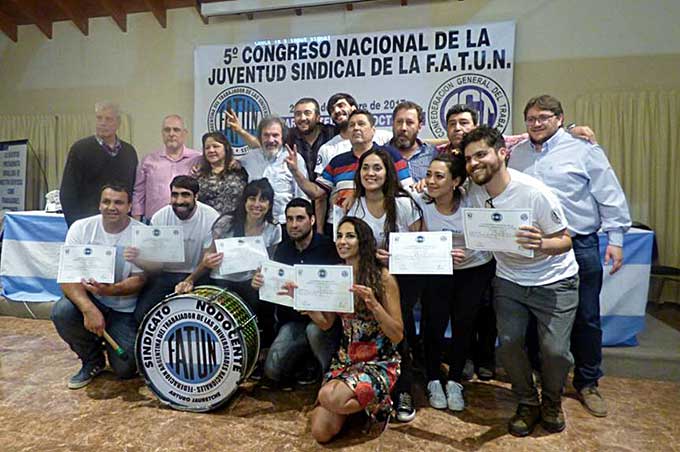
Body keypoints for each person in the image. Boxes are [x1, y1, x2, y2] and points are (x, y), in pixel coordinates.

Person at [509, 94, 631, 417]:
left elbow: (609, 194)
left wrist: (616, 239)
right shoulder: (516, 154)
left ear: (560, 119)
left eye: (544, 117)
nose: (536, 124)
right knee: (539, 315)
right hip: (534, 243)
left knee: (586, 315)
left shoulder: (584, 150)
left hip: (580, 244)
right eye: (531, 118)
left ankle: (588, 382)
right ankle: (545, 378)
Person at [461, 126, 580, 437]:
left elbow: (566, 241)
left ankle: (552, 402)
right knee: (510, 343)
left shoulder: (534, 192)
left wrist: (540, 244)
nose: (475, 163)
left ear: (503, 153)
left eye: (482, 154)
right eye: (469, 158)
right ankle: (527, 401)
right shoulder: (475, 191)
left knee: (555, 351)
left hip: (555, 280)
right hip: (509, 280)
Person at [279, 216, 403, 444]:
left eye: (350, 236)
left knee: (328, 396)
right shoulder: (336, 274)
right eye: (339, 236)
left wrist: (374, 304)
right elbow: (325, 323)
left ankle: (380, 400)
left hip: (380, 361)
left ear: (363, 241)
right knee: (320, 432)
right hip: (346, 360)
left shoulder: (383, 278)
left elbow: (397, 334)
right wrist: (304, 303)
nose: (342, 241)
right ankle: (360, 406)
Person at [344, 147, 422, 423]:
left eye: (377, 168)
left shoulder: (404, 204)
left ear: (388, 172)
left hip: (402, 278)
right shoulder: (353, 205)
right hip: (368, 280)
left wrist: (395, 256)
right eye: (365, 168)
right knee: (375, 335)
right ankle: (369, 387)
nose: (371, 173)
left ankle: (404, 392)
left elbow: (419, 248)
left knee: (401, 333)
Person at [416, 154, 495, 412]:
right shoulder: (419, 204)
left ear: (456, 181)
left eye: (439, 176)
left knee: (464, 325)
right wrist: (439, 253)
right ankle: (433, 379)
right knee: (433, 326)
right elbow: (411, 245)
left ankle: (455, 381)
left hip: (473, 271)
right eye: (428, 175)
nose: (431, 181)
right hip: (435, 273)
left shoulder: (472, 199)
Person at [51, 184, 146, 389]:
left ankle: (107, 341)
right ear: (99, 204)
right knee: (62, 311)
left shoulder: (142, 233)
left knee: (125, 368)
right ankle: (91, 359)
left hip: (124, 310)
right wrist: (89, 309)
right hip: (92, 301)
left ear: (129, 206)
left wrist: (109, 291)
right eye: (106, 201)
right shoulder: (81, 228)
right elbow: (67, 276)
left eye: (119, 202)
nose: (112, 207)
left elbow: (140, 279)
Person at [176, 178, 282, 348]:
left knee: (264, 303)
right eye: (252, 198)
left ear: (270, 204)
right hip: (222, 281)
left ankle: (259, 350)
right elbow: (207, 257)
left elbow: (271, 263)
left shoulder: (273, 228)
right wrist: (190, 279)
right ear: (245, 201)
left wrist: (262, 277)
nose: (256, 204)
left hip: (251, 283)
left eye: (263, 200)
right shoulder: (227, 222)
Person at [251, 198, 341, 389]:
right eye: (290, 219)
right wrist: (261, 283)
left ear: (313, 220)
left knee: (314, 332)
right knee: (272, 371)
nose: (294, 224)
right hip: (293, 321)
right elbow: (274, 289)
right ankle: (304, 361)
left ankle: (330, 374)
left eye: (300, 218)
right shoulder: (283, 249)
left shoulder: (328, 248)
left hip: (323, 322)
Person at [288, 110, 414, 236]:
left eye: (361, 124)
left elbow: (408, 191)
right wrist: (295, 171)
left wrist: (359, 195)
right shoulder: (338, 161)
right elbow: (316, 192)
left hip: (381, 227)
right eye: (352, 125)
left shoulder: (390, 155)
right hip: (341, 229)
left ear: (373, 130)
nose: (356, 128)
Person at [131, 175, 219, 324]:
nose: (179, 201)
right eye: (175, 195)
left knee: (205, 316)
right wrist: (138, 258)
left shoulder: (211, 217)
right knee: (142, 315)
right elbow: (155, 264)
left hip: (198, 274)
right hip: (166, 274)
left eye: (185, 195)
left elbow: (207, 260)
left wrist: (189, 280)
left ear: (196, 196)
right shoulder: (159, 217)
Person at [60, 102, 138, 227]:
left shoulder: (129, 152)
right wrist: (76, 226)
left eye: (108, 119)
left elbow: (133, 190)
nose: (103, 123)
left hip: (121, 225)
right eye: (99, 118)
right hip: (88, 224)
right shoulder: (80, 149)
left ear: (118, 123)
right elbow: (68, 193)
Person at [238, 116, 309, 225]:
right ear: (260, 137)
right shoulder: (249, 158)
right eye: (266, 135)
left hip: (285, 224)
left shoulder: (294, 158)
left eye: (275, 135)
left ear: (282, 137)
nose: (271, 140)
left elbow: (302, 195)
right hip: (257, 224)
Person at [131, 115, 201, 221]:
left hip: (189, 221)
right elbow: (138, 193)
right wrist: (136, 222)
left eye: (176, 130)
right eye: (167, 130)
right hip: (154, 223)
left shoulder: (198, 159)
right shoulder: (148, 160)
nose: (171, 134)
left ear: (184, 133)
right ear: (162, 133)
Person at [195, 131, 249, 215]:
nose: (211, 150)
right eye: (207, 148)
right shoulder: (199, 175)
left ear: (226, 148)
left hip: (236, 224)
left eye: (216, 146)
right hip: (208, 224)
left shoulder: (241, 170)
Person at [286, 98, 337, 180]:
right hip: (300, 190)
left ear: (318, 117)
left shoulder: (332, 133)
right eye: (298, 114)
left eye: (307, 113)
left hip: (330, 189)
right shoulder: (289, 136)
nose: (302, 118)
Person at [389, 101, 437, 183]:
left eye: (409, 123)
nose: (403, 128)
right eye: (399, 122)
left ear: (419, 126)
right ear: (392, 124)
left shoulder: (433, 154)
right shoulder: (381, 154)